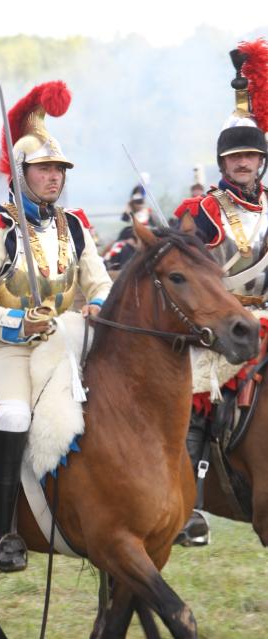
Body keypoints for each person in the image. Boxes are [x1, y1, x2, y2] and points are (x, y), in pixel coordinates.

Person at [0, 81, 112, 572]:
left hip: (66, 340)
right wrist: (13, 322)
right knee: (15, 416)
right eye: (44, 169)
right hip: (8, 348)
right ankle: (3, 534)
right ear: (21, 173)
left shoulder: (76, 225)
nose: (54, 178)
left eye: (59, 170)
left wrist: (98, 306)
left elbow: (100, 282)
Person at [174, 38, 268, 546]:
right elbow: (183, 273)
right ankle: (187, 504)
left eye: (252, 155)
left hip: (267, 316)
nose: (244, 162)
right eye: (235, 156)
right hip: (214, 324)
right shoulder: (202, 212)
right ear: (222, 163)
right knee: (198, 393)